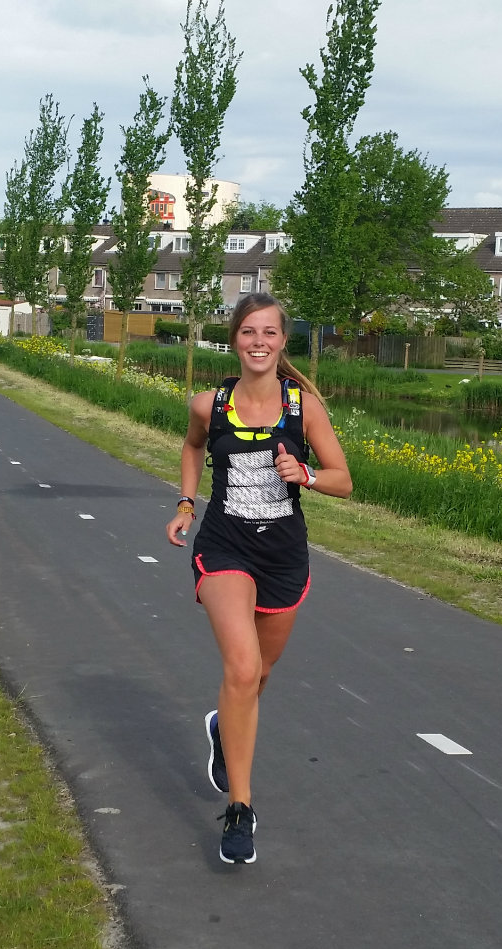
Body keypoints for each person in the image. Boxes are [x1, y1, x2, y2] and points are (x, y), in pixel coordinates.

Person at [164, 292, 352, 864]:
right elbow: (193, 449)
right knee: (242, 668)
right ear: (235, 339)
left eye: (269, 333)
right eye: (249, 332)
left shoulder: (304, 407)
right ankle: (240, 809)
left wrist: (308, 476)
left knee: (259, 675)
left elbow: (344, 479)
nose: (259, 343)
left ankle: (224, 726)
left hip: (283, 556)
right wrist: (185, 504)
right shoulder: (209, 403)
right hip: (225, 545)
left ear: (282, 341)